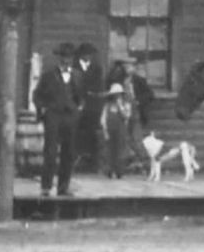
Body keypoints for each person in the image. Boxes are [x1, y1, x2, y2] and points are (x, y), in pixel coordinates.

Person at [33, 42, 83, 197]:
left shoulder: (77, 75)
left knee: (68, 153)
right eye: (63, 58)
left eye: (69, 58)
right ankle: (46, 187)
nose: (66, 61)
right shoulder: (49, 75)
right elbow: (37, 95)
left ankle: (63, 187)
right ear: (59, 58)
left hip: (70, 118)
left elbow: (80, 96)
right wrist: (43, 109)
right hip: (53, 116)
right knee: (50, 152)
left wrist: (78, 108)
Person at [105, 55, 155, 173]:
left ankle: (147, 165)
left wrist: (138, 101)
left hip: (135, 113)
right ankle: (120, 167)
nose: (129, 69)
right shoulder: (115, 81)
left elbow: (150, 95)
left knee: (137, 139)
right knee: (122, 140)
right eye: (126, 67)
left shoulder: (139, 80)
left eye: (131, 66)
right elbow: (109, 95)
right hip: (120, 114)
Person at [73, 42, 105, 172]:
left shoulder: (97, 68)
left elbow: (97, 86)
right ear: (81, 55)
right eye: (86, 54)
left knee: (92, 134)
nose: (88, 57)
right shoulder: (74, 67)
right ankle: (76, 161)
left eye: (90, 54)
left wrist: (91, 94)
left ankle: (92, 163)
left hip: (92, 107)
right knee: (76, 133)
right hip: (77, 105)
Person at [98, 83, 134, 178]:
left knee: (120, 151)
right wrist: (105, 130)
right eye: (115, 94)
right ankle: (109, 170)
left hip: (121, 130)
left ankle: (119, 171)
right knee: (109, 151)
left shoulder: (126, 104)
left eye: (118, 94)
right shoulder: (107, 105)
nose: (117, 96)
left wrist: (120, 106)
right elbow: (103, 118)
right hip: (110, 130)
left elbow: (127, 116)